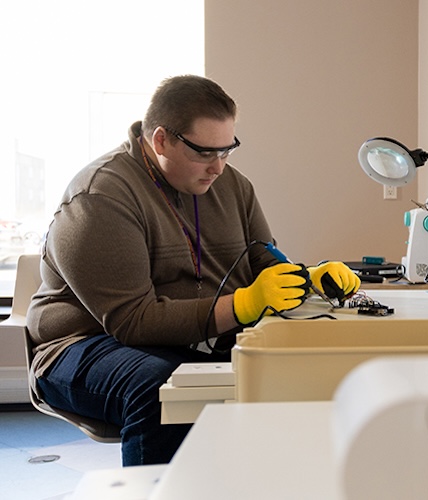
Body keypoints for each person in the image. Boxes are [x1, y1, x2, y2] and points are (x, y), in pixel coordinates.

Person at [26, 75, 360, 466]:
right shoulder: (100, 197)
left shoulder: (232, 185)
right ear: (161, 140)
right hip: (84, 344)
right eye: (204, 152)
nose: (218, 167)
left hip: (189, 338)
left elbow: (262, 260)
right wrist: (244, 305)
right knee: (163, 386)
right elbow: (135, 322)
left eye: (227, 150)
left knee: (293, 367)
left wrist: (308, 278)